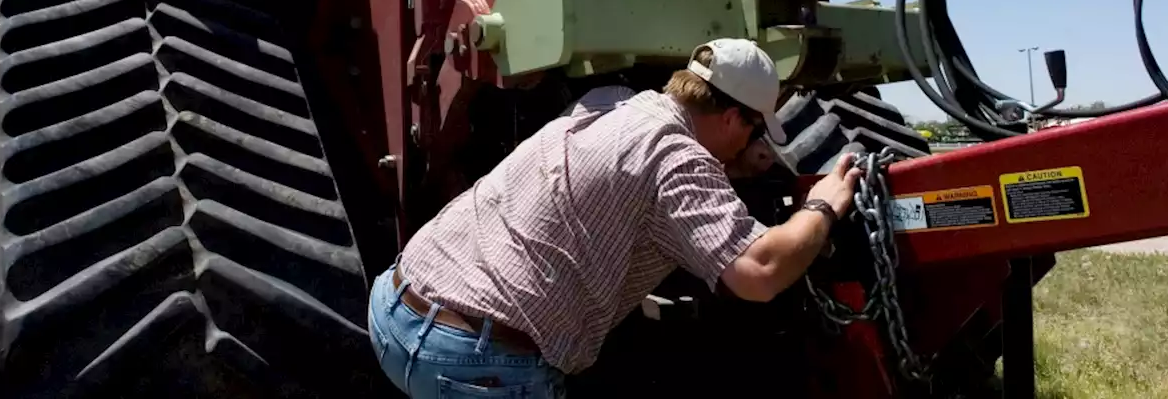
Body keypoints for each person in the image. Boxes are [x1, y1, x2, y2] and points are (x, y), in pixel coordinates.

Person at [366, 38, 864, 397]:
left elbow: (637, 177)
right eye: (754, 130)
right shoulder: (677, 160)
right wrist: (822, 203)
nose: (753, 144)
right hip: (473, 365)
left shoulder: (611, 103)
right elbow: (759, 273)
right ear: (733, 117)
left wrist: (730, 166)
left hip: (395, 306)